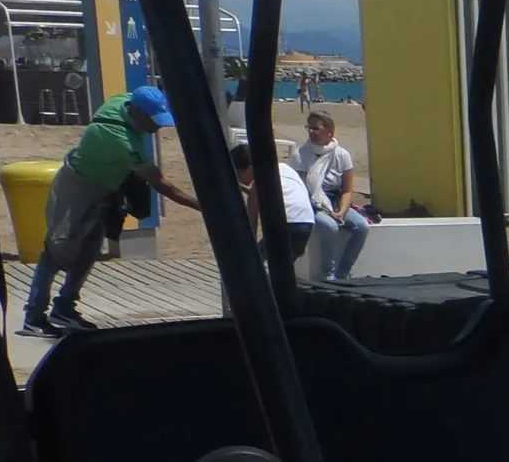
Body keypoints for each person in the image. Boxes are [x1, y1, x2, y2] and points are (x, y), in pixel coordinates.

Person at [22, 83, 197, 336]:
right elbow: (161, 184)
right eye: (154, 121)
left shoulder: (124, 100)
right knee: (56, 250)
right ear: (137, 113)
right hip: (77, 189)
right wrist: (202, 206)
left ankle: (64, 308)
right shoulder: (120, 139)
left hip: (105, 188)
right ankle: (34, 317)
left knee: (89, 250)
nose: (157, 127)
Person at [293, 108, 368, 280]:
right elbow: (301, 188)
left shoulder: (341, 155)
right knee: (329, 226)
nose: (312, 132)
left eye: (316, 128)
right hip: (312, 202)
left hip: (335, 201)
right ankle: (328, 273)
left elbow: (347, 190)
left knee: (362, 227)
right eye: (309, 128)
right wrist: (322, 208)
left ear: (329, 131)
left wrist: (341, 211)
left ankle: (343, 273)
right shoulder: (301, 154)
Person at [231, 140, 316, 266]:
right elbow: (277, 195)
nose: (236, 177)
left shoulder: (259, 182)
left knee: (253, 262)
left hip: (285, 224)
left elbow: (251, 223)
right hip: (306, 223)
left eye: (236, 172)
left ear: (248, 169)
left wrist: (249, 250)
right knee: (283, 269)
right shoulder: (284, 168)